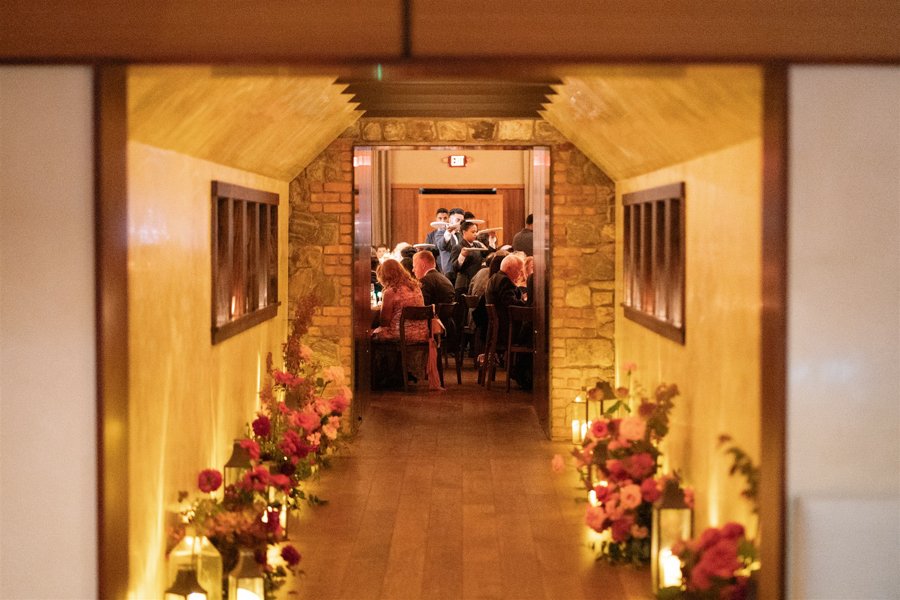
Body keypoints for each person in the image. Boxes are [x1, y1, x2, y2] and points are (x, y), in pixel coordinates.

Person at [372, 259, 442, 390]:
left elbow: (384, 321)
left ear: (385, 276)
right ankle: (400, 373)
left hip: (402, 334)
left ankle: (381, 376)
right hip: (422, 333)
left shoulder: (390, 292)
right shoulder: (415, 287)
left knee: (370, 335)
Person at [484, 254, 532, 389]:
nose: (520, 274)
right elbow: (511, 305)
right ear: (510, 268)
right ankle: (522, 373)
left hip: (498, 330)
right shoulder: (504, 281)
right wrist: (527, 304)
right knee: (532, 335)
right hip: (507, 331)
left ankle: (519, 371)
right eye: (519, 270)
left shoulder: (495, 278)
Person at [450, 220, 485, 297]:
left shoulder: (477, 245)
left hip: (476, 282)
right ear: (464, 232)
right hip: (463, 284)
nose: (475, 234)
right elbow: (454, 268)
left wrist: (491, 239)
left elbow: (487, 254)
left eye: (476, 232)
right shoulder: (458, 247)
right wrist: (462, 256)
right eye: (473, 232)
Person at [437, 208, 465, 279]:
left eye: (461, 221)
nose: (459, 223)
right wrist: (448, 232)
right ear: (450, 220)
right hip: (449, 272)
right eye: (457, 220)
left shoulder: (461, 235)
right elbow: (441, 246)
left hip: (461, 271)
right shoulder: (441, 232)